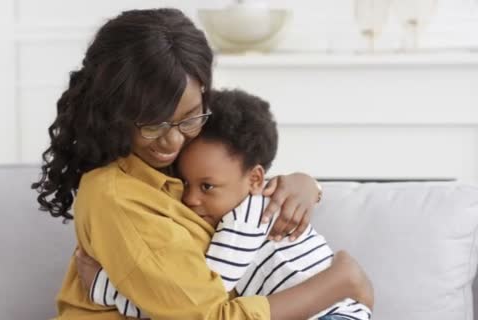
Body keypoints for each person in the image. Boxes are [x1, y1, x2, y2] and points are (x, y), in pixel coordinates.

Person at [32, 8, 373, 320]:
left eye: (190, 117)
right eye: (153, 124)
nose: (173, 142)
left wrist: (304, 185)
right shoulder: (118, 196)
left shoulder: (184, 152)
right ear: (116, 112)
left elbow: (241, 181)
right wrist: (340, 281)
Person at [76, 89, 373, 320]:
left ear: (256, 178)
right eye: (185, 183)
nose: (191, 199)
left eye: (207, 186)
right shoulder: (252, 199)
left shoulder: (244, 220)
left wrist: (104, 289)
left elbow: (193, 302)